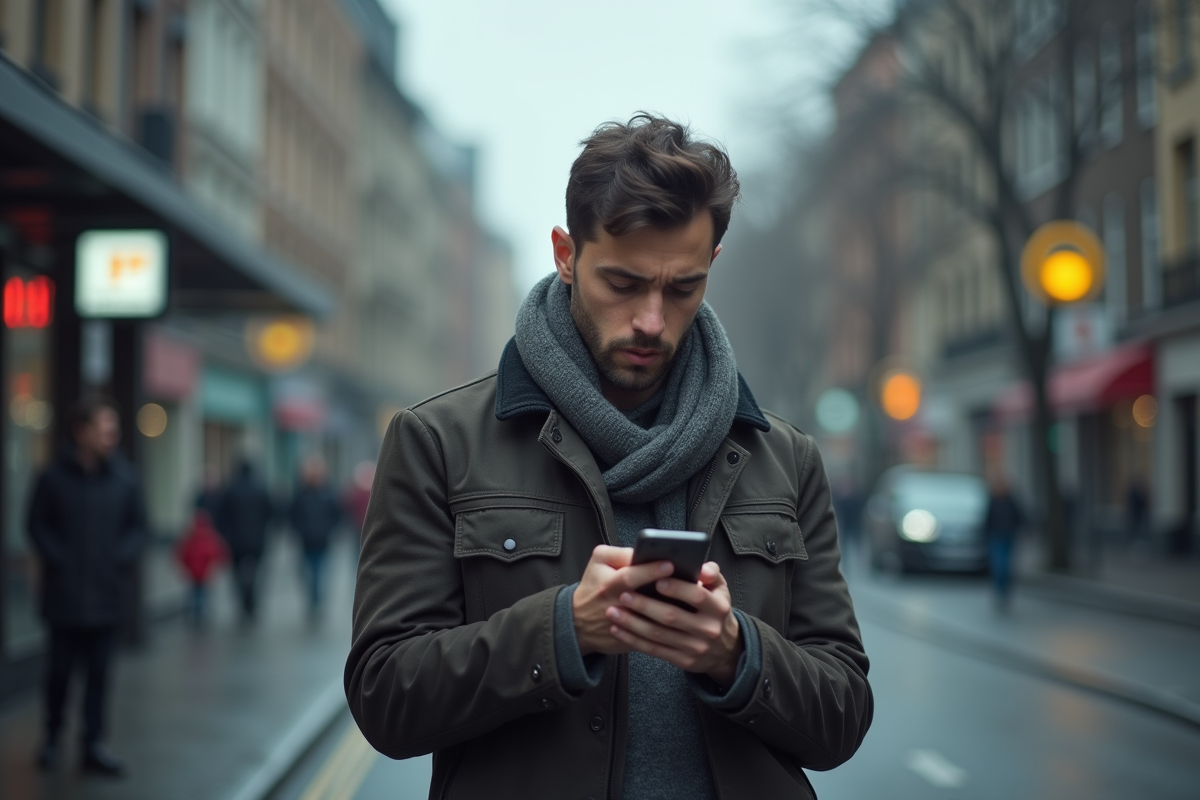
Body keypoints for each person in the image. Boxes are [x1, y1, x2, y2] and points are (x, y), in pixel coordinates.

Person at [345, 114, 873, 798]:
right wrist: (562, 631)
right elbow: (386, 696)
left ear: (712, 264)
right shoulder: (437, 442)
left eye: (682, 288)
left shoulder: (785, 457)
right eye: (623, 283)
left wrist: (737, 654)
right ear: (566, 254)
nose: (651, 320)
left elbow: (844, 714)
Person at [27, 396, 146, 777]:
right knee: (58, 674)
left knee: (99, 676)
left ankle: (92, 745)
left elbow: (139, 528)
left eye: (114, 429)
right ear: (82, 432)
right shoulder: (52, 478)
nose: (112, 436)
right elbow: (36, 524)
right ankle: (51, 738)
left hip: (106, 596)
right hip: (64, 596)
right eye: (104, 429)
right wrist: (58, 559)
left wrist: (119, 559)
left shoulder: (126, 479)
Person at [215, 459, 275, 625]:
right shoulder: (260, 489)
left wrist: (225, 533)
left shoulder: (230, 490)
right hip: (257, 540)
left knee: (236, 574)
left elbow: (221, 515)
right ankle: (251, 602)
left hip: (235, 541)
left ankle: (243, 602)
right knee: (255, 573)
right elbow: (270, 513)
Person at [289, 456, 342, 620]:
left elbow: (337, 515)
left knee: (319, 572)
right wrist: (300, 530)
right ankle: (312, 598)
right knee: (306, 573)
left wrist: (328, 529)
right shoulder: (300, 493)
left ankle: (316, 600)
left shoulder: (328, 493)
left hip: (323, 541)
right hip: (305, 541)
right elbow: (293, 515)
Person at [175, 510, 228, 629]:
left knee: (194, 594)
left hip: (193, 573)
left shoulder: (189, 537)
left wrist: (184, 568)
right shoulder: (211, 537)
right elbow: (219, 553)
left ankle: (195, 615)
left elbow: (181, 554)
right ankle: (201, 615)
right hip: (204, 574)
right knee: (203, 595)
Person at [983, 475, 1025, 611]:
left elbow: (1020, 517)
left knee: (1006, 566)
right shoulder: (993, 501)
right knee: (999, 565)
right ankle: (999, 590)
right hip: (995, 537)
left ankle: (1005, 591)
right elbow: (987, 520)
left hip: (1009, 537)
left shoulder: (1011, 501)